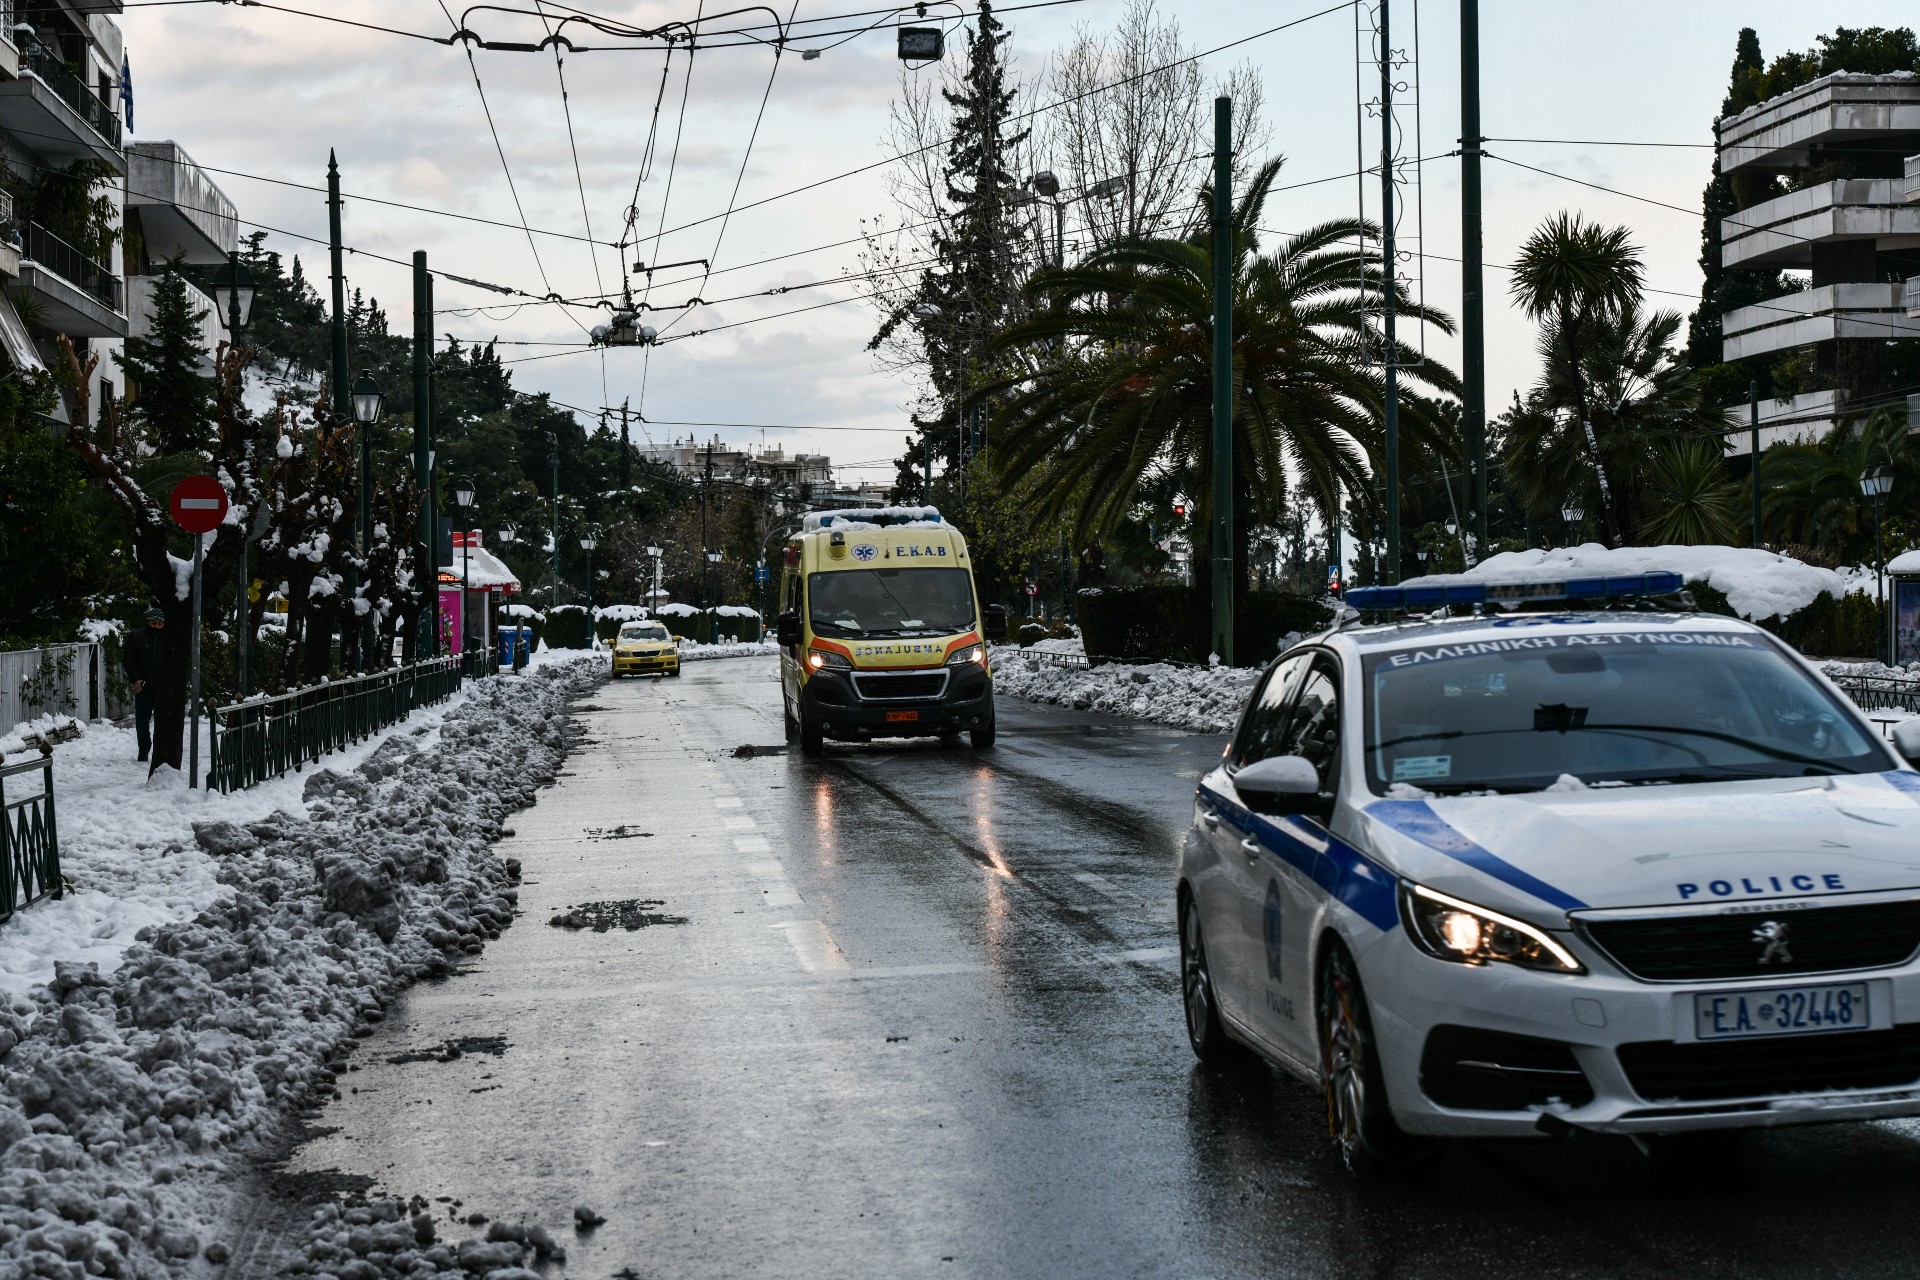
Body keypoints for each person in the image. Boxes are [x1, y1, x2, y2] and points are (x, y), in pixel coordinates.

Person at [122, 607, 167, 762]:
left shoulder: (167, 638)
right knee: (142, 723)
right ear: (148, 622)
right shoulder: (136, 637)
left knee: (163, 723)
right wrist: (135, 679)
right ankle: (144, 749)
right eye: (153, 623)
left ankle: (161, 752)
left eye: (159, 624)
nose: (156, 627)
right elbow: (128, 659)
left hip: (163, 687)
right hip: (144, 686)